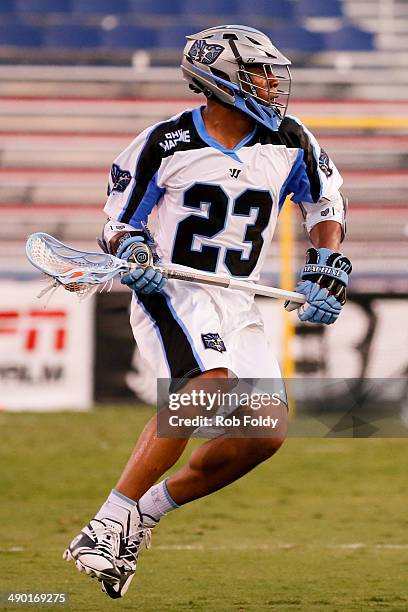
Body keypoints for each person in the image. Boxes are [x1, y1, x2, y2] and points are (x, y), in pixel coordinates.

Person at [63, 24, 351, 599]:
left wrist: (326, 262)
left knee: (264, 433)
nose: (271, 84)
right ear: (220, 80)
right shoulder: (164, 143)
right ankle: (108, 519)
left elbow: (325, 203)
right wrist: (134, 249)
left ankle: (142, 515)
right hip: (172, 290)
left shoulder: (292, 139)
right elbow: (117, 223)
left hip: (237, 295)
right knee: (209, 386)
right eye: (259, 73)